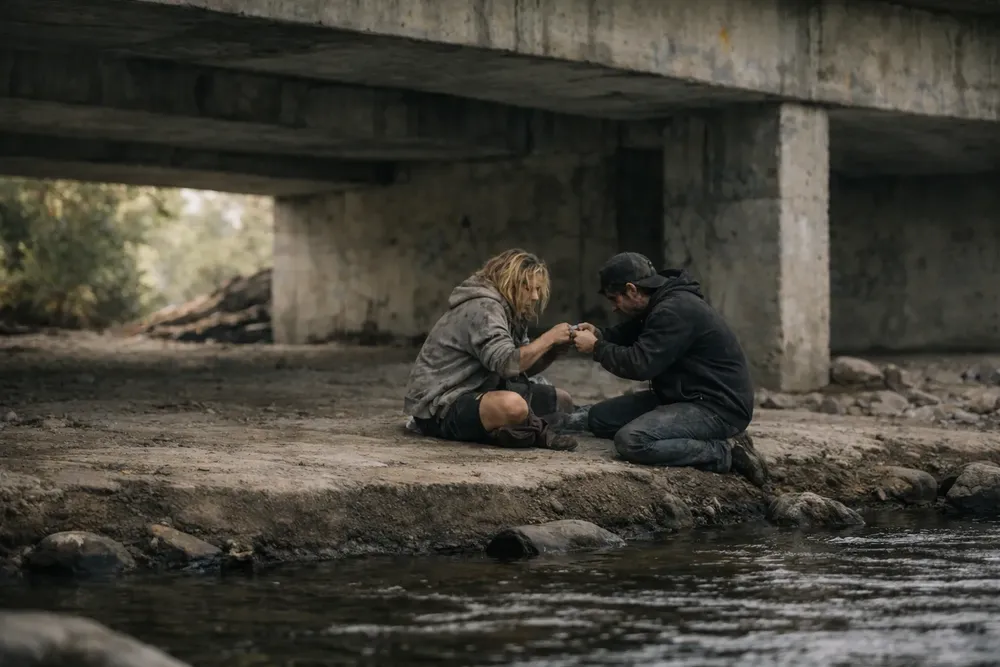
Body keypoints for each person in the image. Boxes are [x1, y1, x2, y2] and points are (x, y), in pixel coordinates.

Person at [570, 251, 768, 486]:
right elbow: (633, 334)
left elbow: (640, 364)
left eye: (615, 299)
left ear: (632, 290)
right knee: (600, 419)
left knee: (632, 441)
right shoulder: (659, 304)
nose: (614, 308)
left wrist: (597, 348)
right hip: (681, 397)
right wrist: (601, 335)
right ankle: (699, 438)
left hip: (718, 407)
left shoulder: (674, 310)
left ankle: (723, 453)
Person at [404, 248, 580, 451]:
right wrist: (548, 338)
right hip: (441, 406)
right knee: (513, 406)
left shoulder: (511, 311)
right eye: (527, 287)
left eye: (538, 290)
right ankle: (527, 431)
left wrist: (551, 352)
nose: (534, 296)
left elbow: (518, 369)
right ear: (508, 282)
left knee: (561, 400)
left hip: (483, 390)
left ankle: (517, 430)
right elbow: (507, 364)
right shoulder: (484, 308)